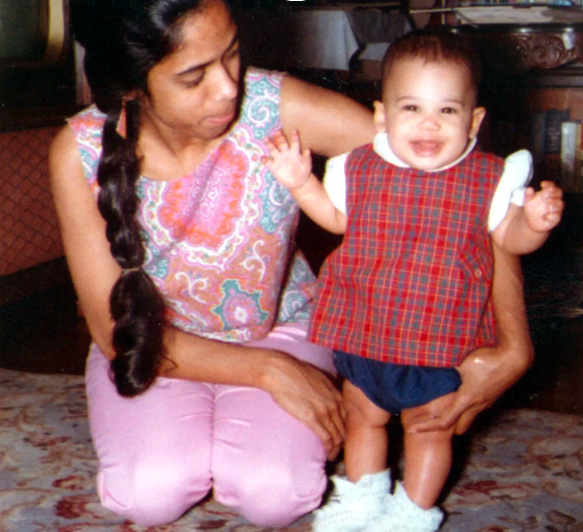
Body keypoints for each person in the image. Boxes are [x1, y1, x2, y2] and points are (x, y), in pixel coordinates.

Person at [49, 0, 533, 526]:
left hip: (281, 327)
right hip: (153, 347)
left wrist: (513, 343)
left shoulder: (273, 106)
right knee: (149, 495)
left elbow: (464, 182)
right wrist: (271, 371)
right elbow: (113, 329)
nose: (229, 87)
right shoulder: (77, 152)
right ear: (131, 86)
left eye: (232, 52)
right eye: (194, 77)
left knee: (276, 496)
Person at [265, 30, 563, 532]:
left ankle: (413, 512)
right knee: (363, 416)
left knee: (429, 428)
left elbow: (509, 240)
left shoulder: (490, 178)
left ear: (474, 120)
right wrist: (302, 183)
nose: (428, 124)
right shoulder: (356, 167)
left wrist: (533, 222)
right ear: (382, 116)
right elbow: (336, 219)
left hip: (438, 340)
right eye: (410, 108)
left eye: (447, 111)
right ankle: (364, 497)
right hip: (365, 329)